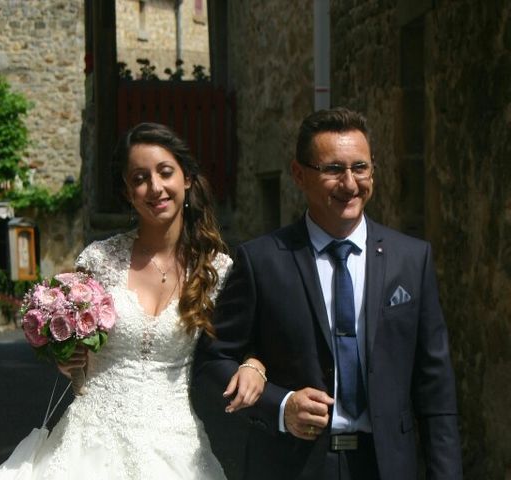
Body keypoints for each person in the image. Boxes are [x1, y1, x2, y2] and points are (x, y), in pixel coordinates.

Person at [0, 122, 266, 480]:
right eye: (139, 178)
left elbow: (243, 340)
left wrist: (254, 364)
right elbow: (72, 349)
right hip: (91, 440)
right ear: (128, 192)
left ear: (187, 179)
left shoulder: (217, 271)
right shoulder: (100, 260)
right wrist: (64, 356)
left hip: (174, 442)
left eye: (165, 172)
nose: (155, 187)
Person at [193, 107, 462, 479]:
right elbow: (210, 364)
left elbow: (435, 386)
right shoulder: (261, 261)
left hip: (386, 466)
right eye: (334, 169)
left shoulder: (411, 259)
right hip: (292, 466)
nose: (350, 184)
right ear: (299, 174)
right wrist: (281, 405)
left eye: (360, 168)